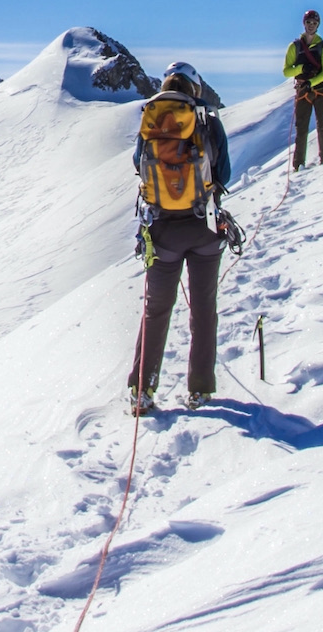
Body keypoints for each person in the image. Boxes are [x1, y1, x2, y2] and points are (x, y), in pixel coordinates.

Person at [128, 62, 233, 412]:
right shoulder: (208, 120)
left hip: (162, 230)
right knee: (204, 309)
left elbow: (137, 162)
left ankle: (142, 390)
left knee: (156, 310)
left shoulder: (152, 118)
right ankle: (200, 389)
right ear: (195, 88)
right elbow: (225, 172)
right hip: (203, 227)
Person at [285, 10, 323, 169]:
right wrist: (301, 68)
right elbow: (286, 71)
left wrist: (310, 82)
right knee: (301, 129)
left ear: (318, 25)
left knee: (322, 126)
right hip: (304, 90)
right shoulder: (294, 46)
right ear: (304, 23)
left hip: (319, 90)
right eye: (309, 22)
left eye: (314, 23)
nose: (311, 26)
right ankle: (298, 165)